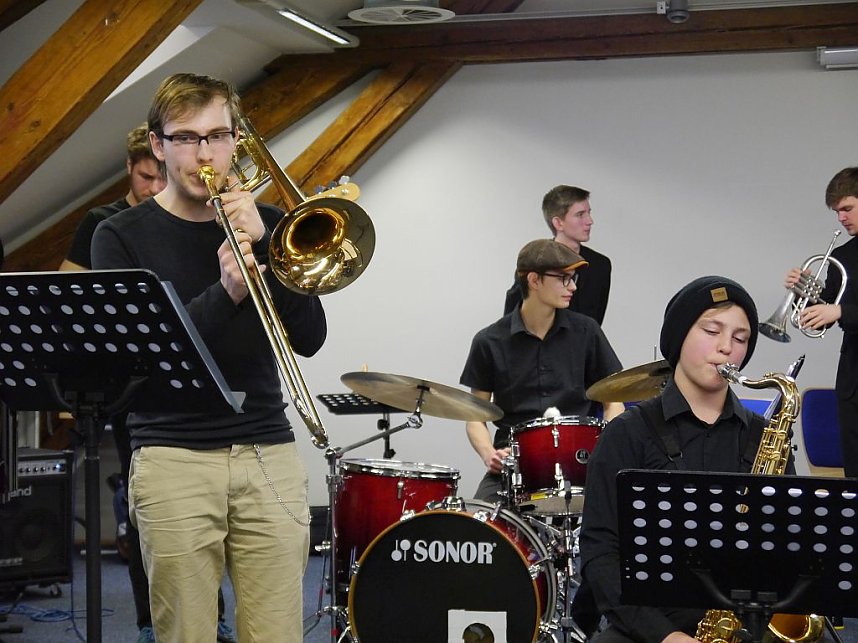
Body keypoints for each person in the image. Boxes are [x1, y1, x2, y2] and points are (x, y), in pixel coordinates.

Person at [91, 72, 326, 643]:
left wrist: (269, 247)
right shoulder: (117, 236)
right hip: (173, 454)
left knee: (276, 633)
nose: (206, 153)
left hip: (267, 448)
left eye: (219, 136)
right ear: (158, 145)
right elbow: (138, 359)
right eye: (188, 137)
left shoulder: (270, 224)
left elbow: (310, 335)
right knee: (186, 634)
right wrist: (227, 293)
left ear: (237, 141)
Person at [572, 276, 790, 642]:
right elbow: (600, 552)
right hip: (644, 626)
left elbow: (787, 546)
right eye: (712, 330)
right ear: (679, 336)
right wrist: (665, 635)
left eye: (740, 339)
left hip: (742, 627)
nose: (726, 348)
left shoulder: (762, 436)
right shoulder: (626, 433)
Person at [461, 239, 625, 502]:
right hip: (514, 463)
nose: (573, 287)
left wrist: (606, 443)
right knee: (483, 525)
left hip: (578, 457)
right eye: (563, 278)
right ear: (534, 280)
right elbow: (474, 417)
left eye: (573, 278)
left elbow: (613, 400)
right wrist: (488, 453)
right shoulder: (489, 341)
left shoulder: (587, 331)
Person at [782, 167, 858, 479]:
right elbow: (821, 319)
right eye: (837, 211)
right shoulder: (843, 256)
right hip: (854, 378)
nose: (841, 218)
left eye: (847, 208)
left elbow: (837, 312)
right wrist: (806, 293)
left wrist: (841, 313)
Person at [59, 123, 165, 272]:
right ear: (129, 165)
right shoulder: (99, 219)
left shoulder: (179, 218)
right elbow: (68, 281)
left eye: (164, 179)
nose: (155, 188)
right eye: (146, 177)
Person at [504, 185, 612, 325]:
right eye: (580, 214)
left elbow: (594, 324)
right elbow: (511, 318)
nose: (590, 221)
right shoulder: (534, 260)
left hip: (582, 345)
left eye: (588, 213)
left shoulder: (600, 265)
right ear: (558, 223)